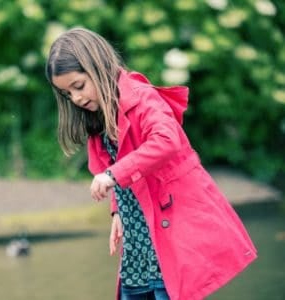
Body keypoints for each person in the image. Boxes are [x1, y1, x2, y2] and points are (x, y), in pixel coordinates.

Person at [45, 27, 257, 300]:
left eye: (78, 86)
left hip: (167, 241)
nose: (76, 98)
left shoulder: (143, 97)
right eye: (67, 94)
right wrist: (118, 210)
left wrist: (112, 176)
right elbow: (118, 166)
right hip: (137, 249)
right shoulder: (98, 117)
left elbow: (167, 141)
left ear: (97, 66)